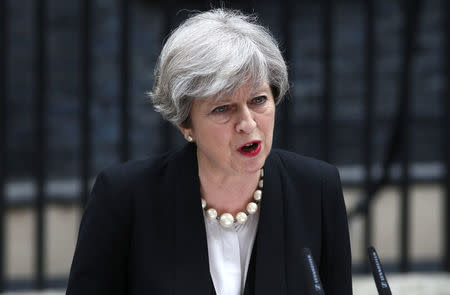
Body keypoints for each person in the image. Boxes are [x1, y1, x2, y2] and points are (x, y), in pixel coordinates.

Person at [66, 8, 352, 295]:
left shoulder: (317, 189)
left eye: (258, 100)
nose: (248, 123)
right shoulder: (124, 198)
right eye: (223, 108)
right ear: (184, 123)